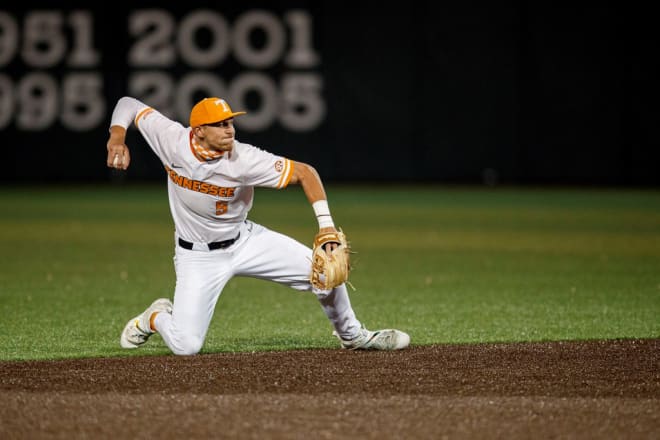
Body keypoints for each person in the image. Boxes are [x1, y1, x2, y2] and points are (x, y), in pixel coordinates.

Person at [106, 96, 410, 355]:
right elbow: (127, 104)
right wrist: (117, 137)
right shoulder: (170, 139)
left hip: (245, 241)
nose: (230, 130)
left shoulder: (244, 159)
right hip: (196, 256)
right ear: (198, 131)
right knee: (187, 346)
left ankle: (352, 335)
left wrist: (326, 225)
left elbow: (306, 173)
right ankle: (156, 316)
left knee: (324, 272)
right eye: (221, 124)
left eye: (230, 122)